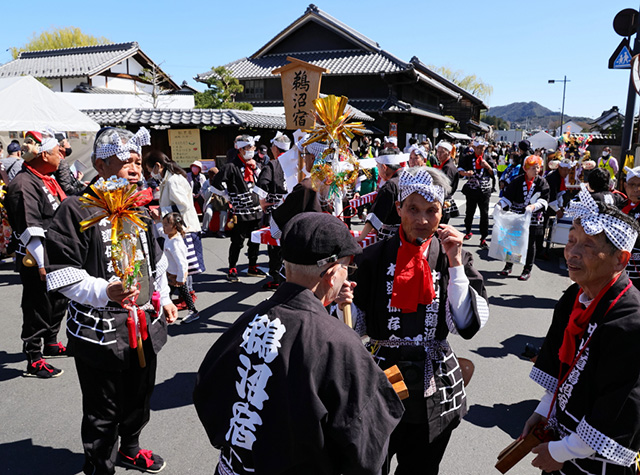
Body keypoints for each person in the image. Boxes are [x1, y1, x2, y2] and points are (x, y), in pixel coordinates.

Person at [194, 212, 404, 475]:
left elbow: (206, 389)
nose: (348, 276)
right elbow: (365, 447)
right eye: (347, 267)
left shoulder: (248, 320)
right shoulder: (336, 342)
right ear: (330, 274)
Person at [45, 126, 178, 475]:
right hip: (99, 330)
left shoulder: (140, 208)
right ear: (100, 165)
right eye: (124, 161)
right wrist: (105, 291)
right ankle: (100, 464)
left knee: (140, 397)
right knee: (102, 408)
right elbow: (62, 272)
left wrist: (162, 297)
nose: (135, 168)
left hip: (144, 324)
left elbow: (157, 262)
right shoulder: (75, 210)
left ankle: (130, 448)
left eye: (137, 161)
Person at [343, 166, 489, 475]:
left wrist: (455, 263)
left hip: (433, 379)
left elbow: (466, 325)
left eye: (431, 210)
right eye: (412, 209)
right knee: (369, 465)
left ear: (443, 211)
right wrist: (343, 299)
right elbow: (350, 327)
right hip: (380, 376)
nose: (422, 220)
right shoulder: (372, 257)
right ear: (398, 208)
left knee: (421, 468)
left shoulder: (453, 257)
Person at [521, 188, 640, 474]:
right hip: (565, 434)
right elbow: (563, 365)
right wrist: (544, 410)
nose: (572, 253)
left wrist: (562, 452)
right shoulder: (574, 296)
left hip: (597, 453)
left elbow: (616, 404)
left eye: (588, 245)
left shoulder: (631, 320)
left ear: (620, 260)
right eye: (571, 240)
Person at [4, 129, 69, 378]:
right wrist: (42, 264)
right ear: (43, 155)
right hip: (37, 256)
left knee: (58, 301)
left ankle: (51, 342)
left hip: (57, 251)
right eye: (56, 152)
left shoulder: (44, 178)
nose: (60, 157)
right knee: (37, 305)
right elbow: (30, 228)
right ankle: (33, 357)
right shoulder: (23, 184)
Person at [143, 150, 205, 302]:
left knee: (183, 265)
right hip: (180, 227)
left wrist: (161, 212)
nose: (151, 174)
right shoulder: (170, 179)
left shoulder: (173, 180)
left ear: (158, 166)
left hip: (184, 229)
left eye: (151, 170)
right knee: (180, 263)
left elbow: (182, 206)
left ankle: (188, 297)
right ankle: (185, 295)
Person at [212, 134, 264, 282]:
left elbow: (263, 182)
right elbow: (215, 184)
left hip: (256, 210)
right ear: (240, 149)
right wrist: (228, 197)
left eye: (253, 147)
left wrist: (256, 169)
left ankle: (252, 266)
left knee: (255, 240)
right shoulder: (231, 166)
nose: (252, 150)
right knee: (237, 241)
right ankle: (232, 268)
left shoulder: (255, 165)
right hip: (240, 211)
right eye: (249, 148)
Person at [497, 155, 550, 281]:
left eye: (538, 168)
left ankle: (527, 268)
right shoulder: (517, 180)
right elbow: (508, 196)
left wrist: (534, 206)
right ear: (526, 168)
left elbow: (545, 198)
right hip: (517, 214)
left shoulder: (542, 182)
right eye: (533, 168)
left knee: (530, 243)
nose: (536, 170)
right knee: (513, 241)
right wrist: (501, 204)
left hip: (532, 215)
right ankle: (509, 265)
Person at [254, 132, 290, 290]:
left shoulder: (273, 164)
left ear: (275, 148)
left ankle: (276, 278)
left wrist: (263, 204)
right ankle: (289, 276)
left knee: (274, 245)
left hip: (276, 212)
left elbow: (261, 186)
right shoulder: (297, 163)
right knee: (289, 244)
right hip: (294, 210)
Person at [356, 148, 407, 242]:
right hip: (407, 233)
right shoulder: (407, 179)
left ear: (384, 167)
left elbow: (376, 214)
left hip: (392, 237)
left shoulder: (390, 186)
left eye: (378, 167)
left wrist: (361, 237)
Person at [160, 212, 199, 324]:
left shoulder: (176, 243)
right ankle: (167, 310)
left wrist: (181, 278)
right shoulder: (168, 236)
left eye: (166, 225)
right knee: (168, 292)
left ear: (174, 226)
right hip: (170, 273)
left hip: (177, 275)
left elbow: (182, 263)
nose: (163, 228)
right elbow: (159, 231)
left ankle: (193, 311)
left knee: (182, 293)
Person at [459, 137, 495, 249]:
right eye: (478, 148)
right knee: (469, 211)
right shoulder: (468, 158)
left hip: (484, 190)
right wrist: (465, 173)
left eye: (482, 148)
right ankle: (468, 230)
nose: (480, 150)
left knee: (484, 214)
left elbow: (494, 173)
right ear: (474, 148)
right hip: (472, 189)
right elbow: (459, 169)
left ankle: (483, 238)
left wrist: (487, 167)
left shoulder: (488, 158)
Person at [621, 166, 640, 288]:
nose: (636, 189)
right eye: (632, 184)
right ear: (625, 186)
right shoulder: (619, 206)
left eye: (639, 185)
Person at [433, 141, 459, 225]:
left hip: (444, 200)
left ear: (448, 153)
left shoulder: (448, 168)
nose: (438, 154)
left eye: (442, 152)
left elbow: (444, 186)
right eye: (437, 152)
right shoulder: (444, 165)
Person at [201, 167, 229, 237]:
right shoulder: (206, 183)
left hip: (221, 203)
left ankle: (221, 230)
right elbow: (204, 196)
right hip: (211, 201)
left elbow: (226, 193)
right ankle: (204, 229)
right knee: (208, 212)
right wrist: (211, 188)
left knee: (224, 213)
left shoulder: (223, 182)